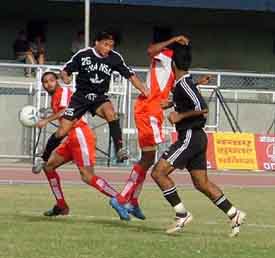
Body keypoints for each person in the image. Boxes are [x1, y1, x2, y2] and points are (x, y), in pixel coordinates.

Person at [109, 30, 210, 221]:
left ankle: (133, 200)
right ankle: (122, 199)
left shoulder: (175, 69)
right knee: (148, 159)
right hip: (148, 110)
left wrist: (198, 83)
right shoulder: (165, 56)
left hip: (154, 112)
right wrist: (173, 40)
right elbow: (150, 50)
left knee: (148, 158)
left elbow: (177, 91)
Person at [150, 42, 246, 236]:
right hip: (197, 138)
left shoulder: (183, 84)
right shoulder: (184, 83)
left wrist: (179, 116)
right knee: (201, 183)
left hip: (190, 136)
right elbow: (189, 97)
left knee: (158, 173)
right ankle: (234, 213)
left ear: (173, 65)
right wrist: (173, 103)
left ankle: (181, 214)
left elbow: (202, 108)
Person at [38, 29, 148, 172]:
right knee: (62, 131)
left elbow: (130, 75)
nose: (108, 48)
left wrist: (144, 90)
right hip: (80, 98)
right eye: (106, 45)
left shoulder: (115, 58)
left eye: (111, 46)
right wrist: (66, 78)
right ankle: (44, 157)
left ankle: (119, 149)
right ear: (97, 43)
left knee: (111, 114)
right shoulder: (83, 55)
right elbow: (65, 71)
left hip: (99, 97)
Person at [36, 71, 120, 216]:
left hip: (81, 135)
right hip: (71, 138)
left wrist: (46, 120)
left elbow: (64, 111)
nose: (48, 84)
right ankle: (61, 206)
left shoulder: (63, 92)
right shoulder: (55, 97)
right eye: (45, 82)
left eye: (51, 80)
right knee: (48, 167)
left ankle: (121, 199)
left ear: (57, 81)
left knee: (87, 176)